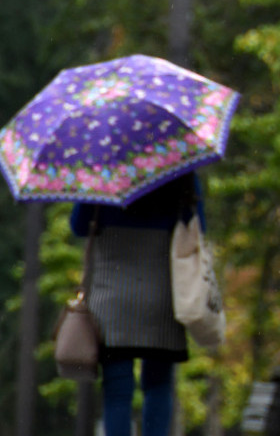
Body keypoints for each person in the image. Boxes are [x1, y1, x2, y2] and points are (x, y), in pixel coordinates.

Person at [70, 172, 206, 436]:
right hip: (162, 294)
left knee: (117, 389)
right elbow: (198, 226)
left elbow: (78, 226)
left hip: (112, 299)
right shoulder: (180, 169)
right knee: (158, 383)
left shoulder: (102, 170)